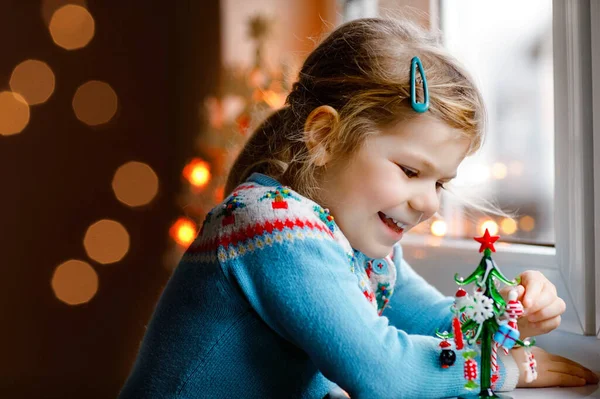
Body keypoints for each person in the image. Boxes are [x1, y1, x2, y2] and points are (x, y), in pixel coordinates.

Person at [119, 18, 598, 398]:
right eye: (410, 171)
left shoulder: (352, 242)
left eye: (441, 183)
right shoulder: (273, 225)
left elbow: (431, 321)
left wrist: (510, 313)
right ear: (325, 136)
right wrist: (505, 369)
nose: (429, 202)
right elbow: (384, 373)